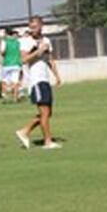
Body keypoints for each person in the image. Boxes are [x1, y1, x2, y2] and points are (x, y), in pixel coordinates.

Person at [14, 16, 63, 150]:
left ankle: (25, 131)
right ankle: (47, 141)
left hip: (45, 79)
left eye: (35, 27)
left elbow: (50, 60)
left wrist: (56, 75)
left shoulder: (46, 41)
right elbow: (23, 60)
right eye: (31, 27)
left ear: (41, 26)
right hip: (35, 81)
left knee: (48, 113)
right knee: (44, 112)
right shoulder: (26, 41)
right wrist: (38, 51)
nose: (33, 30)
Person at [0, 27, 23, 102]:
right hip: (16, 63)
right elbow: (20, 52)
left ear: (6, 33)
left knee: (4, 80)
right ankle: (15, 98)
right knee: (15, 81)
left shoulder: (4, 41)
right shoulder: (17, 42)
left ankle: (4, 97)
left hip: (7, 63)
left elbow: (3, 52)